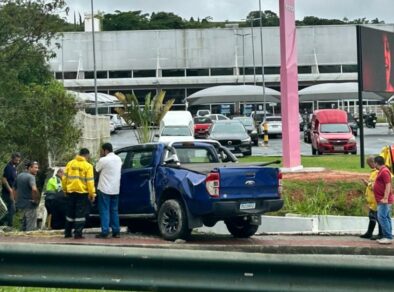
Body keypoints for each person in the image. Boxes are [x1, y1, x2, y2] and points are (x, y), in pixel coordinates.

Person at [62, 148, 96, 239]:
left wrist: (64, 190)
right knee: (80, 214)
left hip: (70, 192)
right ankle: (78, 234)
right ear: (86, 155)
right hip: (82, 193)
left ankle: (67, 233)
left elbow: (64, 178)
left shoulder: (70, 163)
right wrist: (92, 194)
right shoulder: (88, 166)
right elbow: (90, 182)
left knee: (70, 213)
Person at [95, 143, 122, 238]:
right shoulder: (118, 159)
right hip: (115, 189)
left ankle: (105, 231)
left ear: (105, 150)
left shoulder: (103, 160)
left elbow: (96, 169)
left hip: (104, 189)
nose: (101, 152)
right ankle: (116, 231)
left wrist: (100, 158)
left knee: (104, 210)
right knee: (114, 210)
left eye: (101, 150)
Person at [14, 160, 40, 231]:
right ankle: (29, 241)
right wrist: (35, 200)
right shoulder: (31, 177)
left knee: (23, 226)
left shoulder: (19, 176)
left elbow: (14, 189)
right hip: (30, 205)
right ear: (29, 168)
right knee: (30, 228)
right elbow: (34, 189)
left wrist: (16, 200)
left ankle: (21, 240)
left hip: (21, 205)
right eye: (35, 168)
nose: (37, 170)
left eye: (37, 168)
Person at [360, 157, 382, 239]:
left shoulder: (377, 173)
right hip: (372, 199)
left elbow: (375, 186)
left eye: (369, 164)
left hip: (376, 199)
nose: (369, 166)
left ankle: (380, 234)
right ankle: (369, 233)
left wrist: (367, 183)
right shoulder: (373, 172)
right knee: (372, 216)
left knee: (378, 217)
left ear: (374, 163)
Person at [373, 155, 394, 244]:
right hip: (382, 199)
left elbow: (388, 184)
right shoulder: (382, 171)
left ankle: (388, 237)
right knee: (386, 217)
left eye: (374, 163)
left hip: (384, 200)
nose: (373, 164)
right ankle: (388, 236)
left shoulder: (384, 171)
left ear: (376, 163)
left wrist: (385, 198)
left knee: (381, 217)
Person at [0, 152, 21, 227]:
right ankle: (9, 226)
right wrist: (10, 190)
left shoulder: (14, 167)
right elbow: (4, 179)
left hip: (13, 192)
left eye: (18, 160)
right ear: (12, 159)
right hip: (7, 192)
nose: (17, 162)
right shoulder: (8, 167)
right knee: (12, 209)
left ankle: (1, 222)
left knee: (12, 210)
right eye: (16, 160)